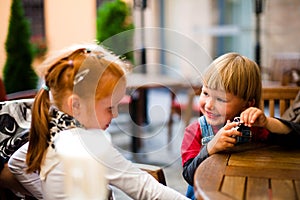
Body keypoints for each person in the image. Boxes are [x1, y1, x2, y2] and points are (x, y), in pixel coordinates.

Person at [8, 43, 189, 200]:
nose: (116, 115)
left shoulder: (50, 131)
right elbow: (146, 188)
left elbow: (16, 163)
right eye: (109, 108)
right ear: (76, 105)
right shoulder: (89, 144)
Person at [180, 52, 300, 199]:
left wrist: (268, 123)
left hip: (244, 192)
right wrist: (210, 147)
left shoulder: (252, 127)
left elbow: (296, 138)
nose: (209, 104)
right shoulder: (194, 131)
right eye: (205, 93)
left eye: (221, 99)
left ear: (247, 104)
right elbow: (188, 175)